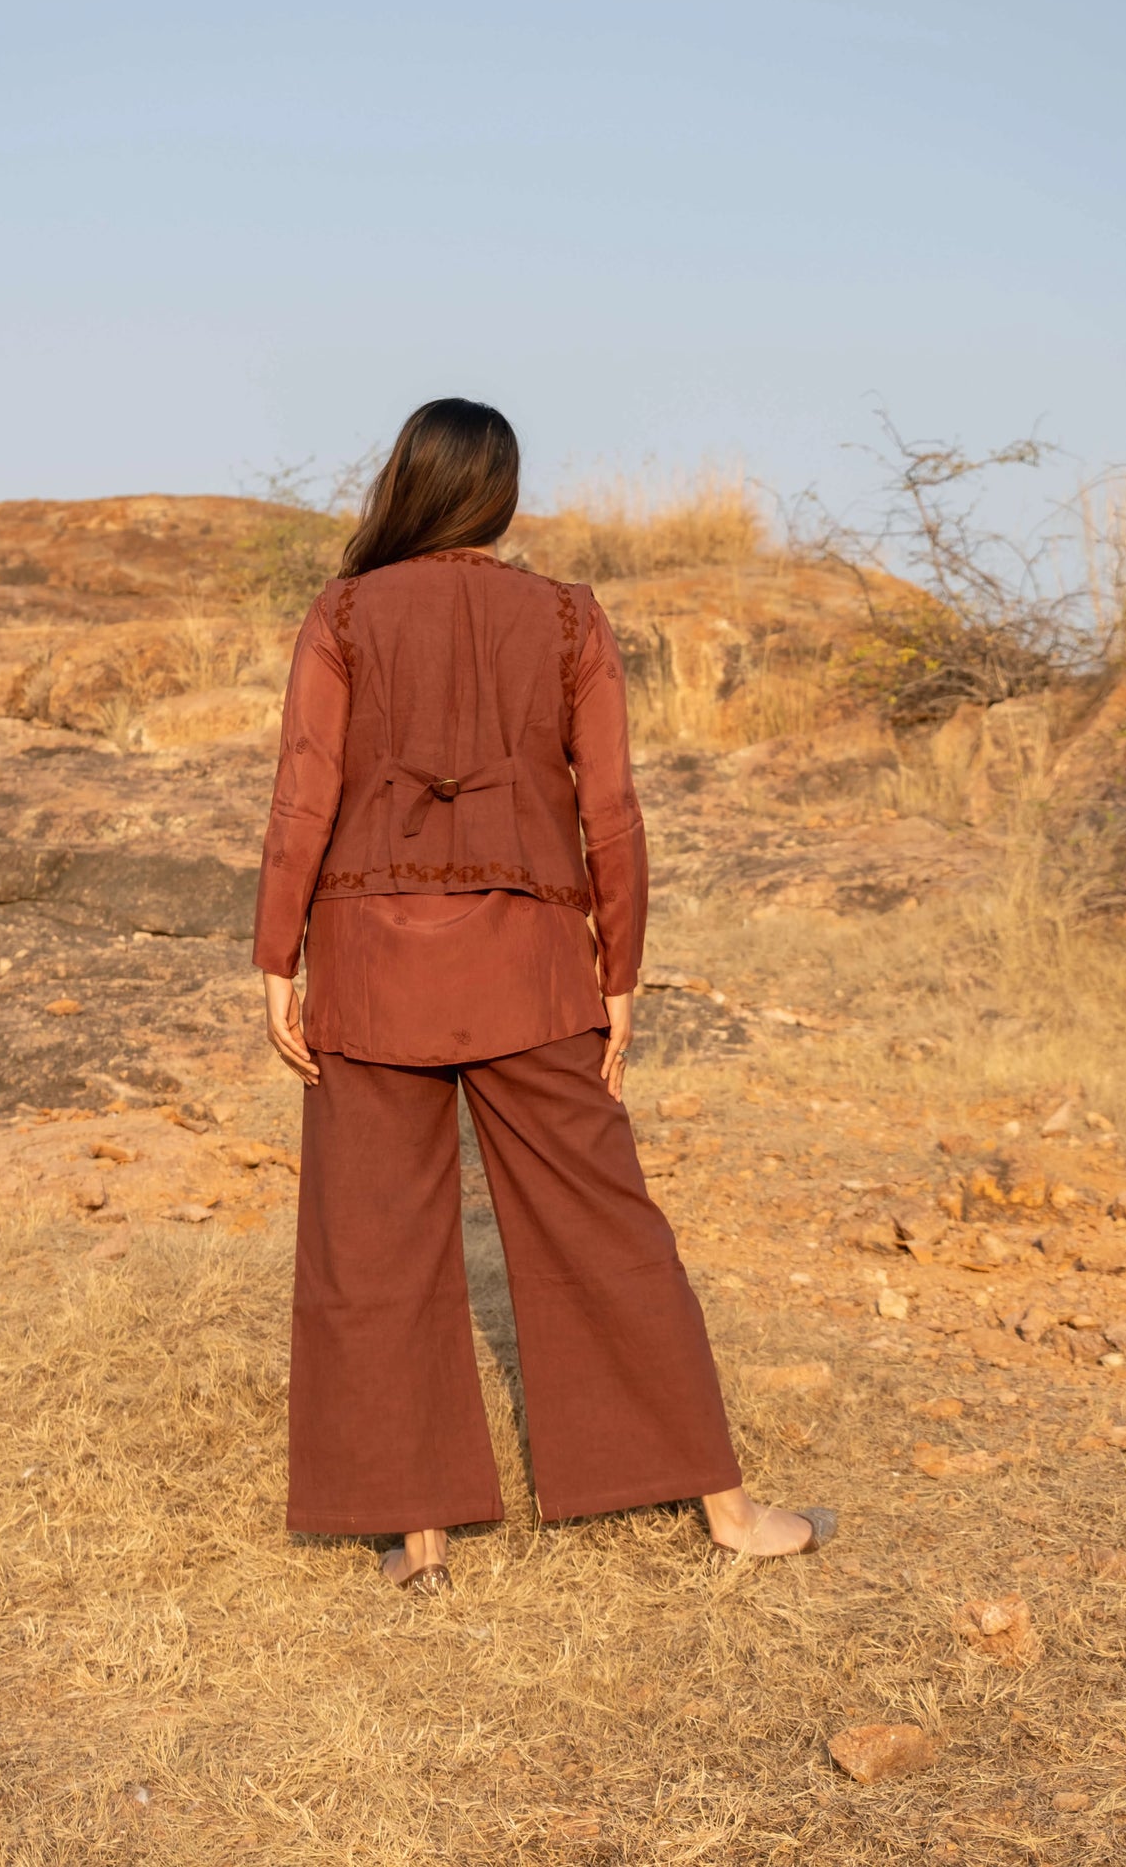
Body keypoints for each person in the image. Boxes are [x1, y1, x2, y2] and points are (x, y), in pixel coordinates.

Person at [253, 398, 834, 1594]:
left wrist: (275, 954)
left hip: (367, 962)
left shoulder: (345, 612)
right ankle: (726, 1509)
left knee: (371, 1242)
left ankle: (417, 1540)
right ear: (501, 497)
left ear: (403, 485)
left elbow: (302, 795)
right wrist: (616, 966)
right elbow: (608, 806)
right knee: (608, 1226)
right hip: (530, 962)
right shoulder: (568, 614)